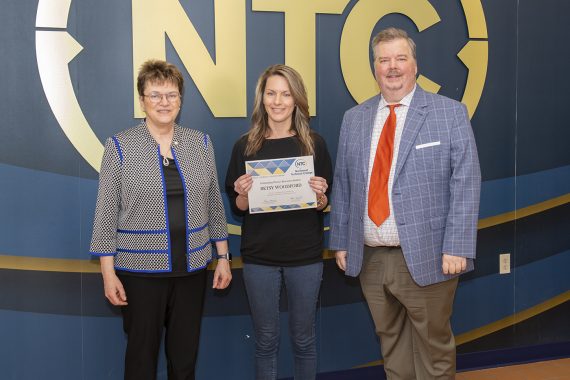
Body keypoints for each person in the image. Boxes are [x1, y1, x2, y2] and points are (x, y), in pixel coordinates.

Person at [329, 28, 481, 379]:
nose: (392, 67)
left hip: (430, 255)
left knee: (433, 347)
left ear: (415, 64)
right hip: (370, 257)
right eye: (384, 60)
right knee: (391, 345)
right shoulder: (354, 119)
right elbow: (345, 185)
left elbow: (466, 182)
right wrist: (340, 241)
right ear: (374, 67)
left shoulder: (449, 113)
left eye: (400, 58)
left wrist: (457, 246)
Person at [89, 59, 231, 380]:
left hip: (192, 270)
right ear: (142, 100)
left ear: (181, 99)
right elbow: (106, 214)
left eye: (171, 95)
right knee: (141, 360)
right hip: (139, 275)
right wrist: (108, 275)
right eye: (155, 95)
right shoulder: (120, 146)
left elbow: (213, 206)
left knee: (184, 360)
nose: (164, 103)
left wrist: (222, 257)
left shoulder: (201, 143)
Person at [225, 64, 332, 380]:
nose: (278, 101)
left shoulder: (314, 144)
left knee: (304, 340)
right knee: (266, 341)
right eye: (271, 93)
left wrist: (321, 195)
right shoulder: (245, 146)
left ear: (297, 99)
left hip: (305, 256)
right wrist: (242, 193)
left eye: (286, 94)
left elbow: (322, 204)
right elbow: (239, 208)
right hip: (260, 257)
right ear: (262, 98)